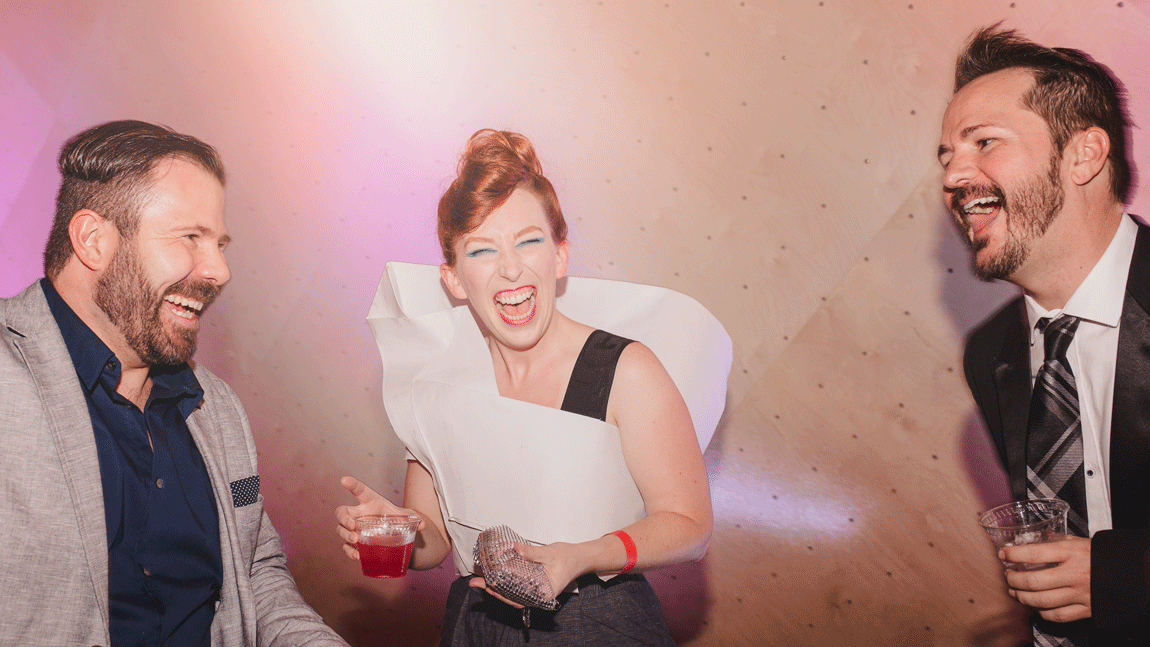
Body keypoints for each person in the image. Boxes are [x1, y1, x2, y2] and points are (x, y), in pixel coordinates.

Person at [337, 129, 731, 645]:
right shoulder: (436, 385)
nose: (510, 268)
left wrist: (583, 556)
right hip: (475, 627)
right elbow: (435, 541)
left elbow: (689, 524)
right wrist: (399, 531)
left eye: (528, 241)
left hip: (600, 625)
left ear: (560, 255)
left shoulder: (624, 370)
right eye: (482, 250)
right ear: (453, 279)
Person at [0, 120, 348, 646]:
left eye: (220, 244)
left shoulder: (217, 409)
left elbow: (253, 570)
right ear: (93, 240)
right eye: (191, 237)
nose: (220, 270)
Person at [942, 26, 1148, 645]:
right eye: (947, 156)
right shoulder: (992, 353)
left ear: (1084, 155)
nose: (953, 176)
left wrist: (1120, 578)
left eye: (984, 141)